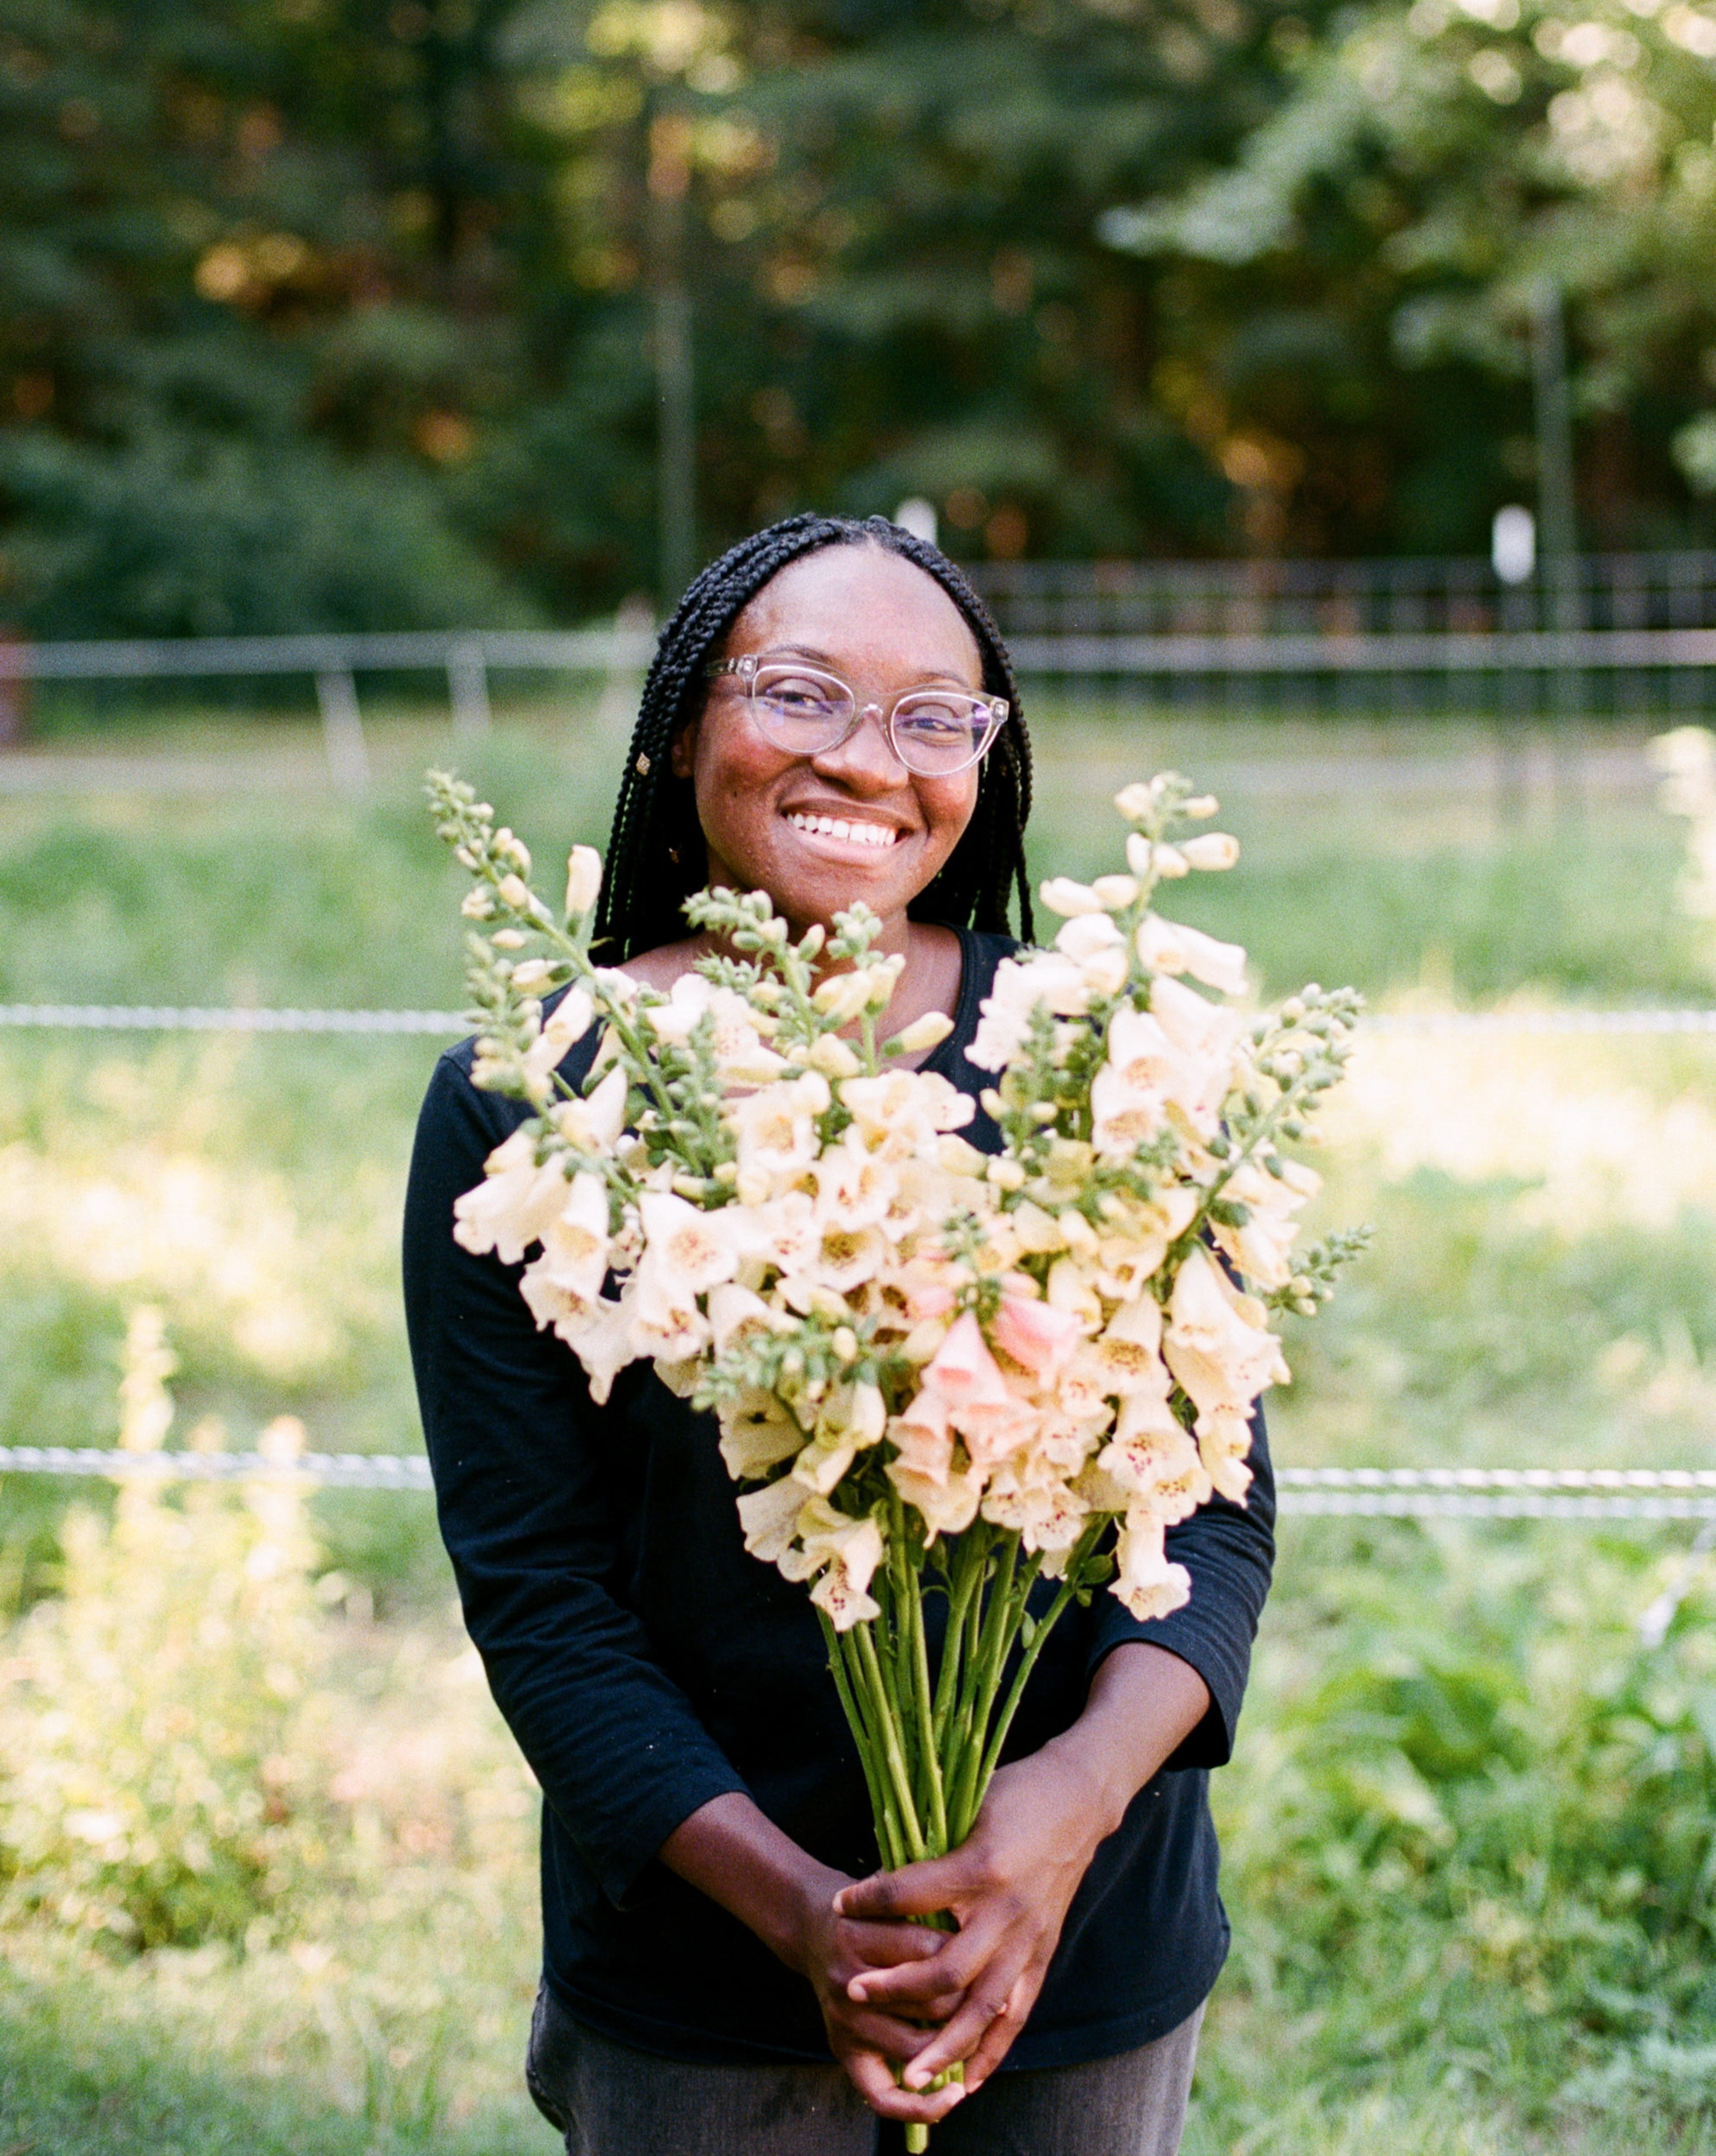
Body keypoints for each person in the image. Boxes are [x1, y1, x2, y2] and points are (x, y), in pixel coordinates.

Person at [403, 513, 1275, 2156]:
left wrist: (1063, 1816)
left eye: (934, 717)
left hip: (1082, 1940)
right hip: (703, 1975)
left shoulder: (1099, 1059)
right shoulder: (535, 1097)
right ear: (680, 730)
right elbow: (538, 1588)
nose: (869, 763)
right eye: (798, 693)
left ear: (983, 765)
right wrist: (803, 1909)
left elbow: (1214, 1504)